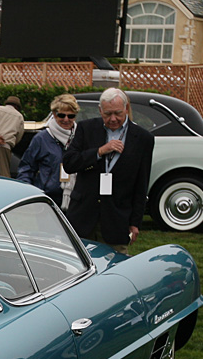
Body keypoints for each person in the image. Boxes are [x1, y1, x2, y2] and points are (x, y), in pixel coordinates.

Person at [61, 87, 154, 255]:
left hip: (117, 220)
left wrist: (135, 223)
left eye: (118, 113)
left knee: (113, 271)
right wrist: (99, 152)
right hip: (82, 216)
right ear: (100, 110)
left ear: (126, 109)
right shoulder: (85, 129)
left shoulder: (143, 138)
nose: (113, 119)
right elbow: (69, 163)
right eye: (107, 114)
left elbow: (142, 183)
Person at [17, 94, 79, 208]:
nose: (66, 119)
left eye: (70, 116)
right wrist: (30, 194)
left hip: (76, 200)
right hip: (48, 200)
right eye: (61, 115)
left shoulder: (81, 137)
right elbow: (26, 167)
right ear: (54, 115)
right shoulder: (41, 138)